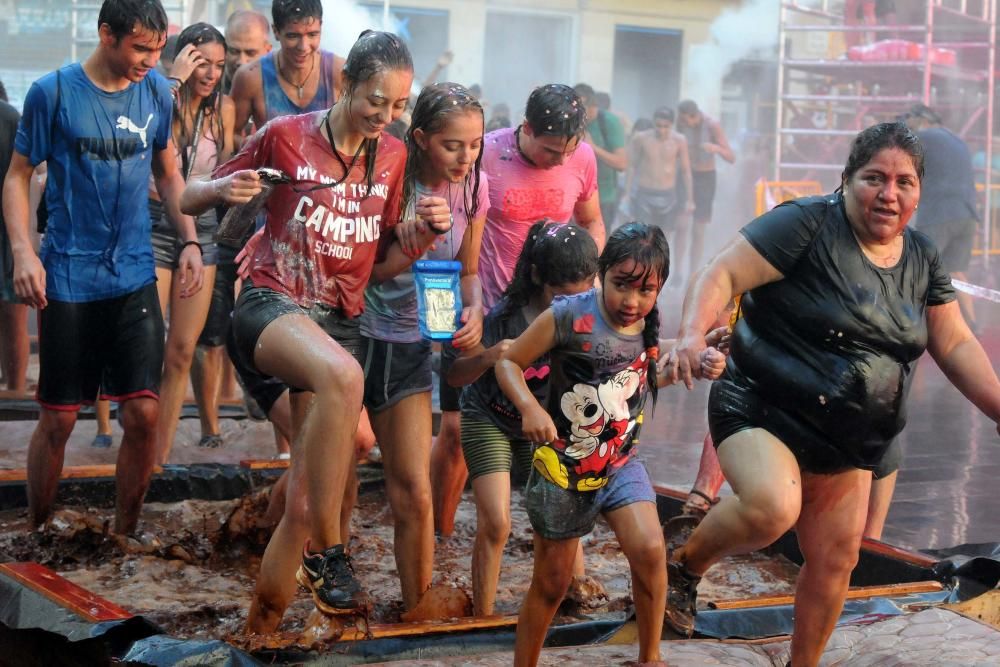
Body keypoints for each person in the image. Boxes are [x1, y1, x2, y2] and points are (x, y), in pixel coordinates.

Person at [667, 122, 1000, 667]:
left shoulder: (921, 257)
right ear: (846, 179)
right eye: (874, 178)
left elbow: (956, 342)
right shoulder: (804, 225)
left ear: (920, 191)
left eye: (904, 182)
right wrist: (690, 335)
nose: (889, 194)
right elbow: (720, 272)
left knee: (837, 558)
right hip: (761, 409)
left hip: (848, 443)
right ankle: (684, 565)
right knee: (774, 507)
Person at [180, 30, 450, 623]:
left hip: (338, 323)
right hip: (272, 304)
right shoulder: (286, 135)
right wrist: (224, 187)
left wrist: (423, 236)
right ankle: (330, 554)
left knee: (304, 499)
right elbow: (188, 198)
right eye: (377, 100)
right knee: (344, 376)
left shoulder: (396, 156)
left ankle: (262, 627)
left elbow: (379, 269)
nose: (388, 115)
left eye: (400, 105)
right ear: (348, 84)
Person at [2, 0, 204, 534]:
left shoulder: (157, 92)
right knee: (61, 418)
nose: (150, 61)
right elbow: (18, 176)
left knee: (143, 414)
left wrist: (189, 241)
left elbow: (167, 172)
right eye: (140, 48)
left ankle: (124, 535)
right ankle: (39, 530)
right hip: (69, 273)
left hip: (134, 271)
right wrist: (24, 251)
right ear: (105, 34)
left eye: (157, 50)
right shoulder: (54, 92)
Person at [495, 223, 725, 667]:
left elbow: (643, 374)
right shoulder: (568, 316)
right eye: (621, 286)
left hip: (619, 465)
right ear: (601, 274)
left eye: (646, 291)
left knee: (652, 551)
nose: (632, 302)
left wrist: (700, 353)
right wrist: (530, 408)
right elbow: (508, 362)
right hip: (563, 470)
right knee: (552, 583)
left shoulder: (647, 327)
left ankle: (650, 657)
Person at [431, 83, 605, 539]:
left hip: (549, 316)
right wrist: (453, 308)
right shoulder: (485, 154)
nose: (561, 161)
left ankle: (550, 539)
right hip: (484, 310)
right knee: (453, 431)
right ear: (525, 130)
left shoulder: (581, 158)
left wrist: (596, 279)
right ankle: (441, 534)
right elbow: (454, 235)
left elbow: (590, 219)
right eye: (551, 150)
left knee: (552, 419)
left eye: (568, 151)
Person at [357, 82, 488, 610]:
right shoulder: (389, 177)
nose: (466, 156)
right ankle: (275, 543)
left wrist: (475, 309)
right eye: (453, 145)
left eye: (475, 144)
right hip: (357, 335)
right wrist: (412, 240)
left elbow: (471, 270)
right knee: (336, 470)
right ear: (420, 139)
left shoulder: (475, 189)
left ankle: (416, 612)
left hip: (413, 344)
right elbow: (361, 268)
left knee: (413, 490)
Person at [448, 220, 598, 616]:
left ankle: (574, 605)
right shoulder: (505, 317)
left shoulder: (587, 318)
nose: (570, 308)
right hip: (490, 417)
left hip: (544, 428)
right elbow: (453, 374)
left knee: (563, 520)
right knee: (497, 523)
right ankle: (482, 618)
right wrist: (488, 356)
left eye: (581, 296)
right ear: (536, 277)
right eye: (560, 297)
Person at [152, 23, 236, 463]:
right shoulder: (158, 93)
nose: (211, 73)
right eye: (202, 62)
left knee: (183, 349)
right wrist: (173, 81)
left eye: (219, 65)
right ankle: (141, 451)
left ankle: (160, 458)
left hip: (201, 229)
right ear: (183, 59)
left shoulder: (224, 109)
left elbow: (223, 172)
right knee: (150, 345)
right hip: (152, 224)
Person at [904, 104, 979, 332]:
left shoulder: (923, 137)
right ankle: (973, 326)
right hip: (966, 215)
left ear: (921, 120)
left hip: (939, 215)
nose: (907, 125)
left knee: (918, 267)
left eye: (909, 120)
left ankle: (909, 325)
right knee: (956, 271)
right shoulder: (957, 141)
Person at [230, 0, 345, 132]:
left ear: (321, 27)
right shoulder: (251, 78)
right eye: (293, 36)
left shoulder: (339, 72)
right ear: (276, 32)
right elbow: (229, 135)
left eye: (312, 34)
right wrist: (254, 146)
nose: (303, 47)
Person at [625, 107, 694, 278]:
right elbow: (632, 166)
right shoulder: (641, 138)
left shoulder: (679, 140)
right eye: (658, 125)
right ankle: (640, 273)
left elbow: (686, 171)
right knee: (642, 238)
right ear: (653, 123)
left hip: (668, 195)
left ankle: (658, 276)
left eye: (665, 126)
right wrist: (627, 194)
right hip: (644, 194)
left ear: (671, 125)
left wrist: (690, 199)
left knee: (664, 238)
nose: (661, 130)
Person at [675, 99, 734, 279]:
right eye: (682, 120)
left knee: (698, 230)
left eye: (686, 120)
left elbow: (731, 157)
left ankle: (693, 273)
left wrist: (715, 148)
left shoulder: (712, 126)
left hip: (705, 178)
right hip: (684, 176)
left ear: (694, 116)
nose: (684, 123)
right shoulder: (680, 124)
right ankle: (677, 272)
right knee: (681, 225)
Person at [0, 80, 28, 394]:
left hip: (9, 232)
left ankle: (17, 387)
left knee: (13, 314)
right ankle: (17, 387)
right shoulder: (11, 118)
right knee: (13, 317)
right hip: (10, 230)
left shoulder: (9, 118)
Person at [574, 83, 626, 231]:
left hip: (603, 196)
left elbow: (622, 163)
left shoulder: (609, 122)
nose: (590, 110)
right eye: (582, 106)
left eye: (592, 105)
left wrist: (593, 148)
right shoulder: (570, 121)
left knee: (599, 245)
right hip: (573, 196)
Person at [222, 9, 272, 96]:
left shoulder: (280, 92)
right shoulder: (206, 89)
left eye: (251, 53)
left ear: (267, 51)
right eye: (234, 51)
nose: (242, 61)